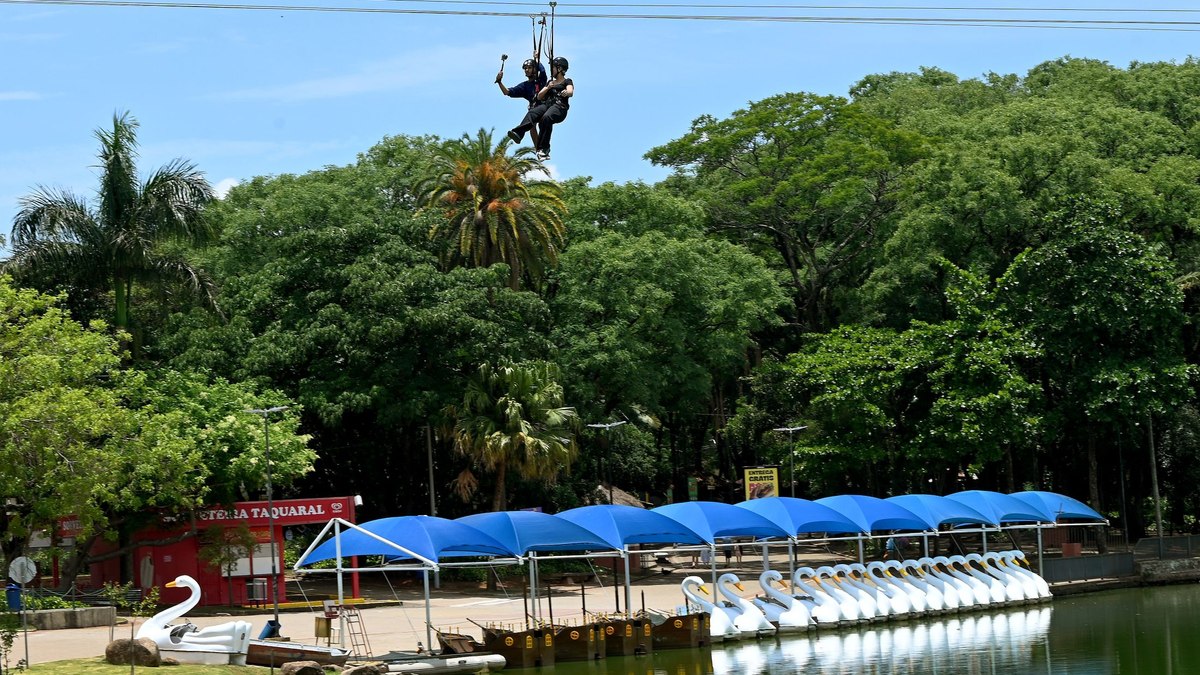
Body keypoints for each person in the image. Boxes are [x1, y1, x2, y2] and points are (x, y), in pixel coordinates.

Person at [507, 56, 573, 161]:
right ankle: (519, 133)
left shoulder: (567, 81)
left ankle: (544, 148)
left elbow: (570, 91)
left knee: (546, 118)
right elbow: (539, 97)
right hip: (548, 105)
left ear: (560, 69)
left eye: (553, 67)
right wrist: (548, 87)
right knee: (532, 113)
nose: (551, 70)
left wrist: (566, 92)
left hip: (560, 108)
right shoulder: (550, 82)